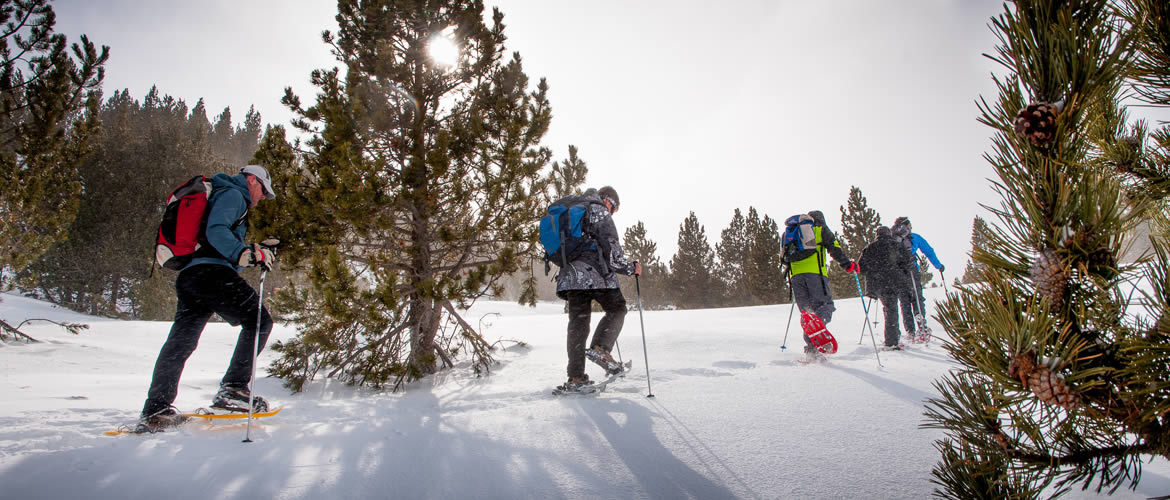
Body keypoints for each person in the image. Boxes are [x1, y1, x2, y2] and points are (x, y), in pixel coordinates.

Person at [136, 164, 278, 433]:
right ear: (251, 180)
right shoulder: (235, 195)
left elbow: (216, 241)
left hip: (191, 277)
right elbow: (217, 231)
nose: (262, 198)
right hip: (211, 274)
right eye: (262, 190)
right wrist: (245, 253)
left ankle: (156, 408)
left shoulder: (220, 194)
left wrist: (251, 253)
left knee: (180, 342)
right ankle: (234, 390)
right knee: (259, 321)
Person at [555, 186, 641, 394]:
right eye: (616, 208)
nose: (613, 212)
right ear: (609, 200)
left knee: (578, 324)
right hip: (595, 273)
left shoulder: (575, 209)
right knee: (618, 308)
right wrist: (631, 268)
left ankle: (576, 378)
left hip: (571, 276)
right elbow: (612, 250)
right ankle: (600, 349)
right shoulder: (599, 209)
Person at [786, 210, 858, 357]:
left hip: (795, 277)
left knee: (808, 313)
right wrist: (847, 264)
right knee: (825, 306)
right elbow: (834, 248)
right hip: (815, 275)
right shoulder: (819, 228)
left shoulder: (794, 232)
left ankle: (812, 350)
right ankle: (815, 336)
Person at [858, 226, 916, 349]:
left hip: (877, 283)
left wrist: (873, 272)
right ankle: (892, 341)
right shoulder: (897, 245)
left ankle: (894, 336)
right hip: (894, 281)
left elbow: (861, 268)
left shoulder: (870, 248)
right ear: (889, 234)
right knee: (892, 309)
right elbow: (907, 263)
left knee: (889, 308)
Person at [892, 216, 944, 319]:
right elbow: (928, 251)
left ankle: (910, 330)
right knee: (916, 296)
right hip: (912, 269)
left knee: (904, 300)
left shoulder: (893, 239)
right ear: (906, 226)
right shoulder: (914, 237)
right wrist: (938, 265)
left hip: (898, 272)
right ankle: (920, 320)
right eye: (910, 225)